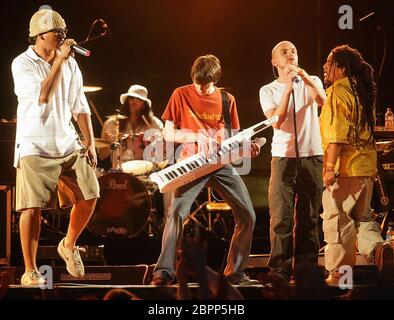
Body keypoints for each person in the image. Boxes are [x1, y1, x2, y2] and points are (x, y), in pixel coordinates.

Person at [151, 54, 260, 286]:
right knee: (176, 214)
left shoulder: (227, 99)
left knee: (247, 215)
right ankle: (164, 271)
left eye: (205, 84)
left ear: (216, 79)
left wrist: (246, 146)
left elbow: (233, 136)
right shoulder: (180, 93)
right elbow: (168, 133)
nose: (200, 88)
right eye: (197, 83)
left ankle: (235, 273)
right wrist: (197, 136)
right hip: (191, 161)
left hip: (220, 164)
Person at [11, 8, 100, 286]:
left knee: (90, 195)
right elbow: (42, 95)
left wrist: (91, 142)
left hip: (67, 142)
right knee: (32, 208)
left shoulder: (72, 64)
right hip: (34, 144)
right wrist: (59, 62)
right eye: (56, 34)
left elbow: (79, 106)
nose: (62, 37)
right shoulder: (22, 63)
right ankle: (30, 269)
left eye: (63, 32)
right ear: (38, 36)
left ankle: (69, 244)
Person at [320, 44, 394, 284]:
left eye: (329, 62)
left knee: (337, 219)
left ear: (340, 69)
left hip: (345, 168)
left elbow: (336, 135)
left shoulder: (336, 93)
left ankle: (340, 276)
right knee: (363, 219)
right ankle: (380, 249)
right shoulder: (361, 92)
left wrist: (330, 168)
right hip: (364, 167)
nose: (325, 66)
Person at [259, 41, 326, 283]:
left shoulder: (313, 81)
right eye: (284, 52)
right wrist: (287, 88)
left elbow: (322, 101)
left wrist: (304, 79)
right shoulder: (268, 90)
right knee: (281, 216)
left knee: (309, 216)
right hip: (283, 157)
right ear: (274, 61)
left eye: (294, 51)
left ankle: (307, 269)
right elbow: (277, 121)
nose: (291, 54)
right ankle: (279, 271)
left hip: (312, 155)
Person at [99, 84, 164, 167]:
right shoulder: (112, 123)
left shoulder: (155, 124)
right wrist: (109, 143)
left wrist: (150, 145)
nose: (134, 101)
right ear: (127, 101)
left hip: (145, 169)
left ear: (144, 104)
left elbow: (161, 154)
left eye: (139, 99)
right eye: (131, 98)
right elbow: (101, 156)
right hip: (120, 170)